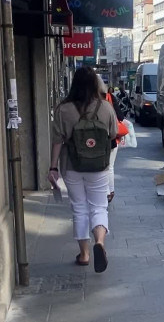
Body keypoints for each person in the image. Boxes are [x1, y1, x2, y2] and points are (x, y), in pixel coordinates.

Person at [49, 67, 117, 273]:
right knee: (99, 207)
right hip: (98, 166)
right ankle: (100, 243)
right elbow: (113, 134)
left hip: (71, 166)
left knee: (79, 208)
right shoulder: (106, 107)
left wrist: (53, 167)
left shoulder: (63, 109)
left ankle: (85, 254)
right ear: (95, 85)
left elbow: (57, 141)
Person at [100, 78, 126, 204]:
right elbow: (121, 116)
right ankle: (110, 192)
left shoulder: (87, 101)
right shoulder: (110, 98)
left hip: (92, 140)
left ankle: (102, 191)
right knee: (109, 167)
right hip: (110, 138)